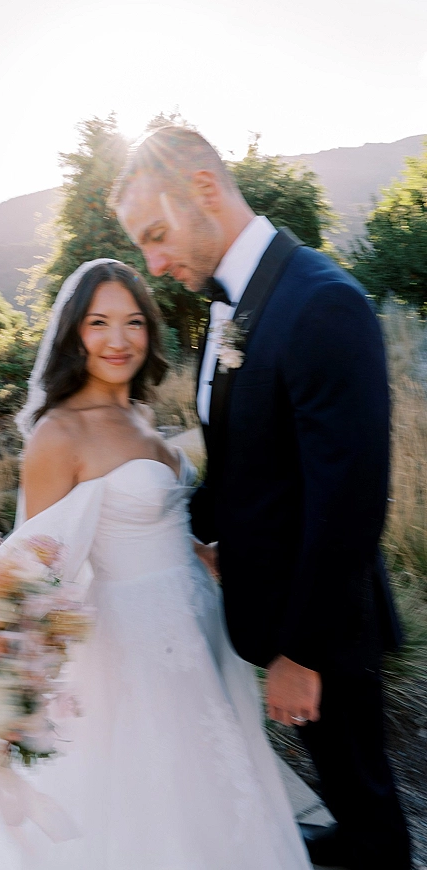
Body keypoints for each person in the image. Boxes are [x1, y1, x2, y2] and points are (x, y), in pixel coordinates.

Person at [0, 259, 312, 870]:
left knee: (216, 780)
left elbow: (151, 522)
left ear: (150, 330)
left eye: (133, 322)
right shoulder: (59, 435)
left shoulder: (141, 415)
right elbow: (38, 567)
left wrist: (205, 554)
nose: (118, 340)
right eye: (98, 322)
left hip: (198, 630)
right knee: (148, 804)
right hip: (131, 649)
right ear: (73, 333)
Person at [112, 126, 412, 870]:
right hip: (280, 609)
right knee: (343, 784)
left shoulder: (320, 302)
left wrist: (299, 654)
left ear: (205, 190)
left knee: (369, 799)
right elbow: (254, 465)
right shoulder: (239, 305)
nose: (152, 263)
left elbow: (348, 502)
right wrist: (186, 528)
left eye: (156, 235)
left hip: (323, 631)